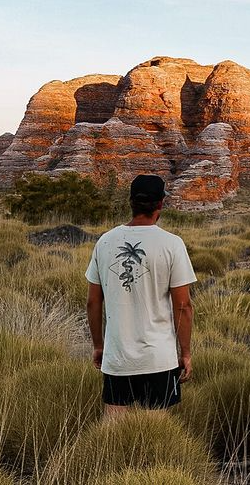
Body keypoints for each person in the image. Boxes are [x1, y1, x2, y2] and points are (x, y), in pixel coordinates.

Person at [85, 174, 197, 419]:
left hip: (118, 355)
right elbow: (183, 306)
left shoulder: (105, 242)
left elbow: (93, 302)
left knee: (113, 429)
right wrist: (185, 353)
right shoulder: (172, 244)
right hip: (159, 356)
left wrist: (98, 345)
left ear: (131, 202)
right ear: (160, 204)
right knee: (156, 431)